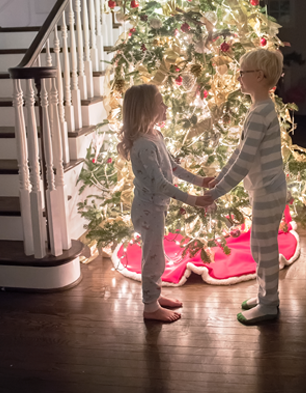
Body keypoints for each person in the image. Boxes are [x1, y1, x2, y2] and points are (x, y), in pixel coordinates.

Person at [195, 47, 290, 325]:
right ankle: (264, 296)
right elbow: (239, 153)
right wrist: (219, 177)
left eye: (242, 73)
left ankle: (269, 303)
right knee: (259, 246)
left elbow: (245, 161)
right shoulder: (257, 109)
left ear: (259, 76)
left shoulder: (261, 113)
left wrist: (215, 192)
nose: (238, 77)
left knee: (265, 248)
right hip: (263, 190)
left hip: (268, 190)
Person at [120, 84, 213, 323]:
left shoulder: (155, 135)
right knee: (153, 257)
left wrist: (201, 181)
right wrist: (194, 200)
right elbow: (160, 184)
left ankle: (154, 297)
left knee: (155, 255)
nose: (165, 106)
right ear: (146, 110)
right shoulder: (143, 145)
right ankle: (150, 307)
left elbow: (172, 167)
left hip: (155, 208)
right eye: (160, 102)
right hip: (148, 210)